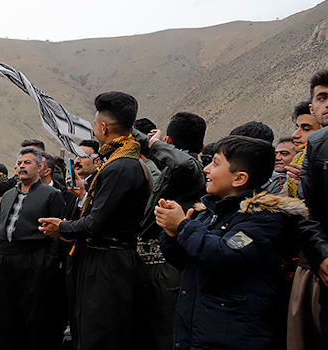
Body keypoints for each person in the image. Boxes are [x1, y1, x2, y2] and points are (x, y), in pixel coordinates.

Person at [156, 135, 306, 350]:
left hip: (234, 333)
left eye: (215, 163)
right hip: (199, 327)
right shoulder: (211, 211)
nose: (206, 169)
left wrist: (183, 227)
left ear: (239, 178)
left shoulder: (263, 217)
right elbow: (187, 260)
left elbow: (227, 254)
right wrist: (172, 233)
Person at [40, 91, 151, 350]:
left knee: (102, 334)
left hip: (109, 265)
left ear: (103, 127)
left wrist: (62, 227)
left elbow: (95, 223)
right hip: (103, 258)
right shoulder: (121, 161)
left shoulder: (120, 166)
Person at [132, 111, 207, 350]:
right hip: (147, 265)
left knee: (166, 334)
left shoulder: (191, 168)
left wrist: (152, 143)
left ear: (170, 143)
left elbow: (183, 163)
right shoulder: (170, 169)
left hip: (167, 266)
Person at [0, 147, 65, 349]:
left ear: (40, 167)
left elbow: (57, 237)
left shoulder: (52, 195)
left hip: (34, 260)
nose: (21, 166)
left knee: (36, 318)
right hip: (4, 261)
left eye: (27, 163)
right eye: (19, 163)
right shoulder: (7, 195)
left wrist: (50, 264)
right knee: (5, 316)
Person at [295, 68, 328, 350]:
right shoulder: (317, 146)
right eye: (323, 97)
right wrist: (322, 257)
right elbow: (309, 211)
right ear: (313, 106)